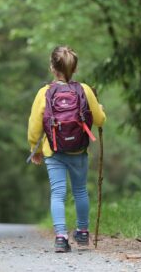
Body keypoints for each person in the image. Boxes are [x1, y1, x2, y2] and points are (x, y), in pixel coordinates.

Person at [27, 46, 106, 253]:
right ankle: (82, 232)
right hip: (78, 151)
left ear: (52, 68)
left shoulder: (44, 93)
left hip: (54, 151)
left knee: (58, 193)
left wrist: (34, 149)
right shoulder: (85, 90)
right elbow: (99, 119)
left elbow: (34, 126)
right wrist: (101, 111)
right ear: (75, 68)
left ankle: (61, 237)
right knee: (80, 191)